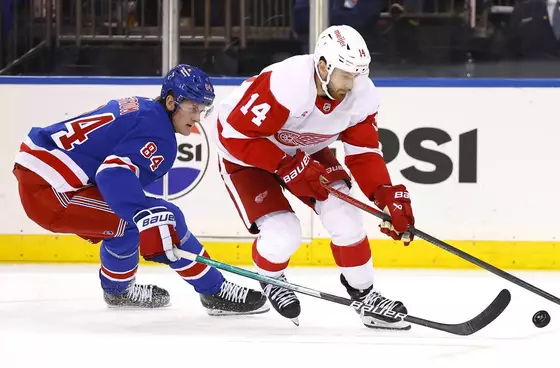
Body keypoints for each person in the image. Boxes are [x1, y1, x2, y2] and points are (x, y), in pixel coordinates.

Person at [13, 64, 268, 316]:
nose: (198, 118)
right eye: (192, 108)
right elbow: (112, 173)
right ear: (171, 102)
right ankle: (214, 290)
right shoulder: (159, 137)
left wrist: (141, 215)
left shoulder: (143, 106)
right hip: (50, 192)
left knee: (130, 222)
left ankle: (118, 291)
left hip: (41, 173)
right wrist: (145, 216)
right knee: (165, 216)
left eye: (202, 110)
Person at [213, 25, 415, 330]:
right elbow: (233, 136)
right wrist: (283, 164)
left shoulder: (361, 94)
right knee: (284, 233)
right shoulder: (286, 83)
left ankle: (366, 296)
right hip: (248, 154)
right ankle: (270, 277)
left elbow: (363, 152)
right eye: (346, 74)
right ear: (323, 66)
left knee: (345, 217)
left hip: (304, 149)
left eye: (358, 74)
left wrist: (384, 193)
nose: (353, 83)